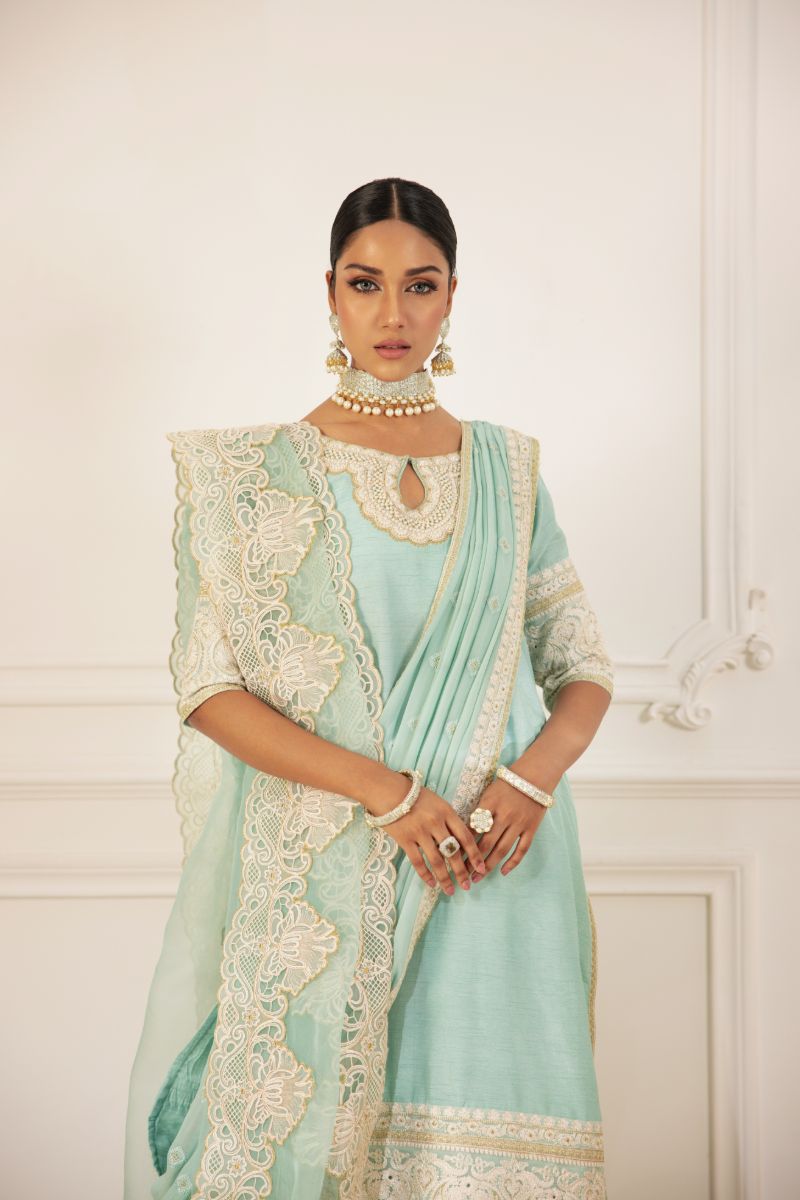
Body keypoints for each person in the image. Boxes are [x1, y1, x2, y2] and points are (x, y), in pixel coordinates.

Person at [123, 176, 615, 1199]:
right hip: (335, 854)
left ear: (451, 297)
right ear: (330, 293)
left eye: (420, 285)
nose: (393, 313)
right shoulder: (251, 476)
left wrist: (529, 783)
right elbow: (209, 688)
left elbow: (581, 666)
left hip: (495, 859)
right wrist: (384, 793)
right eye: (365, 283)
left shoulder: (507, 469)